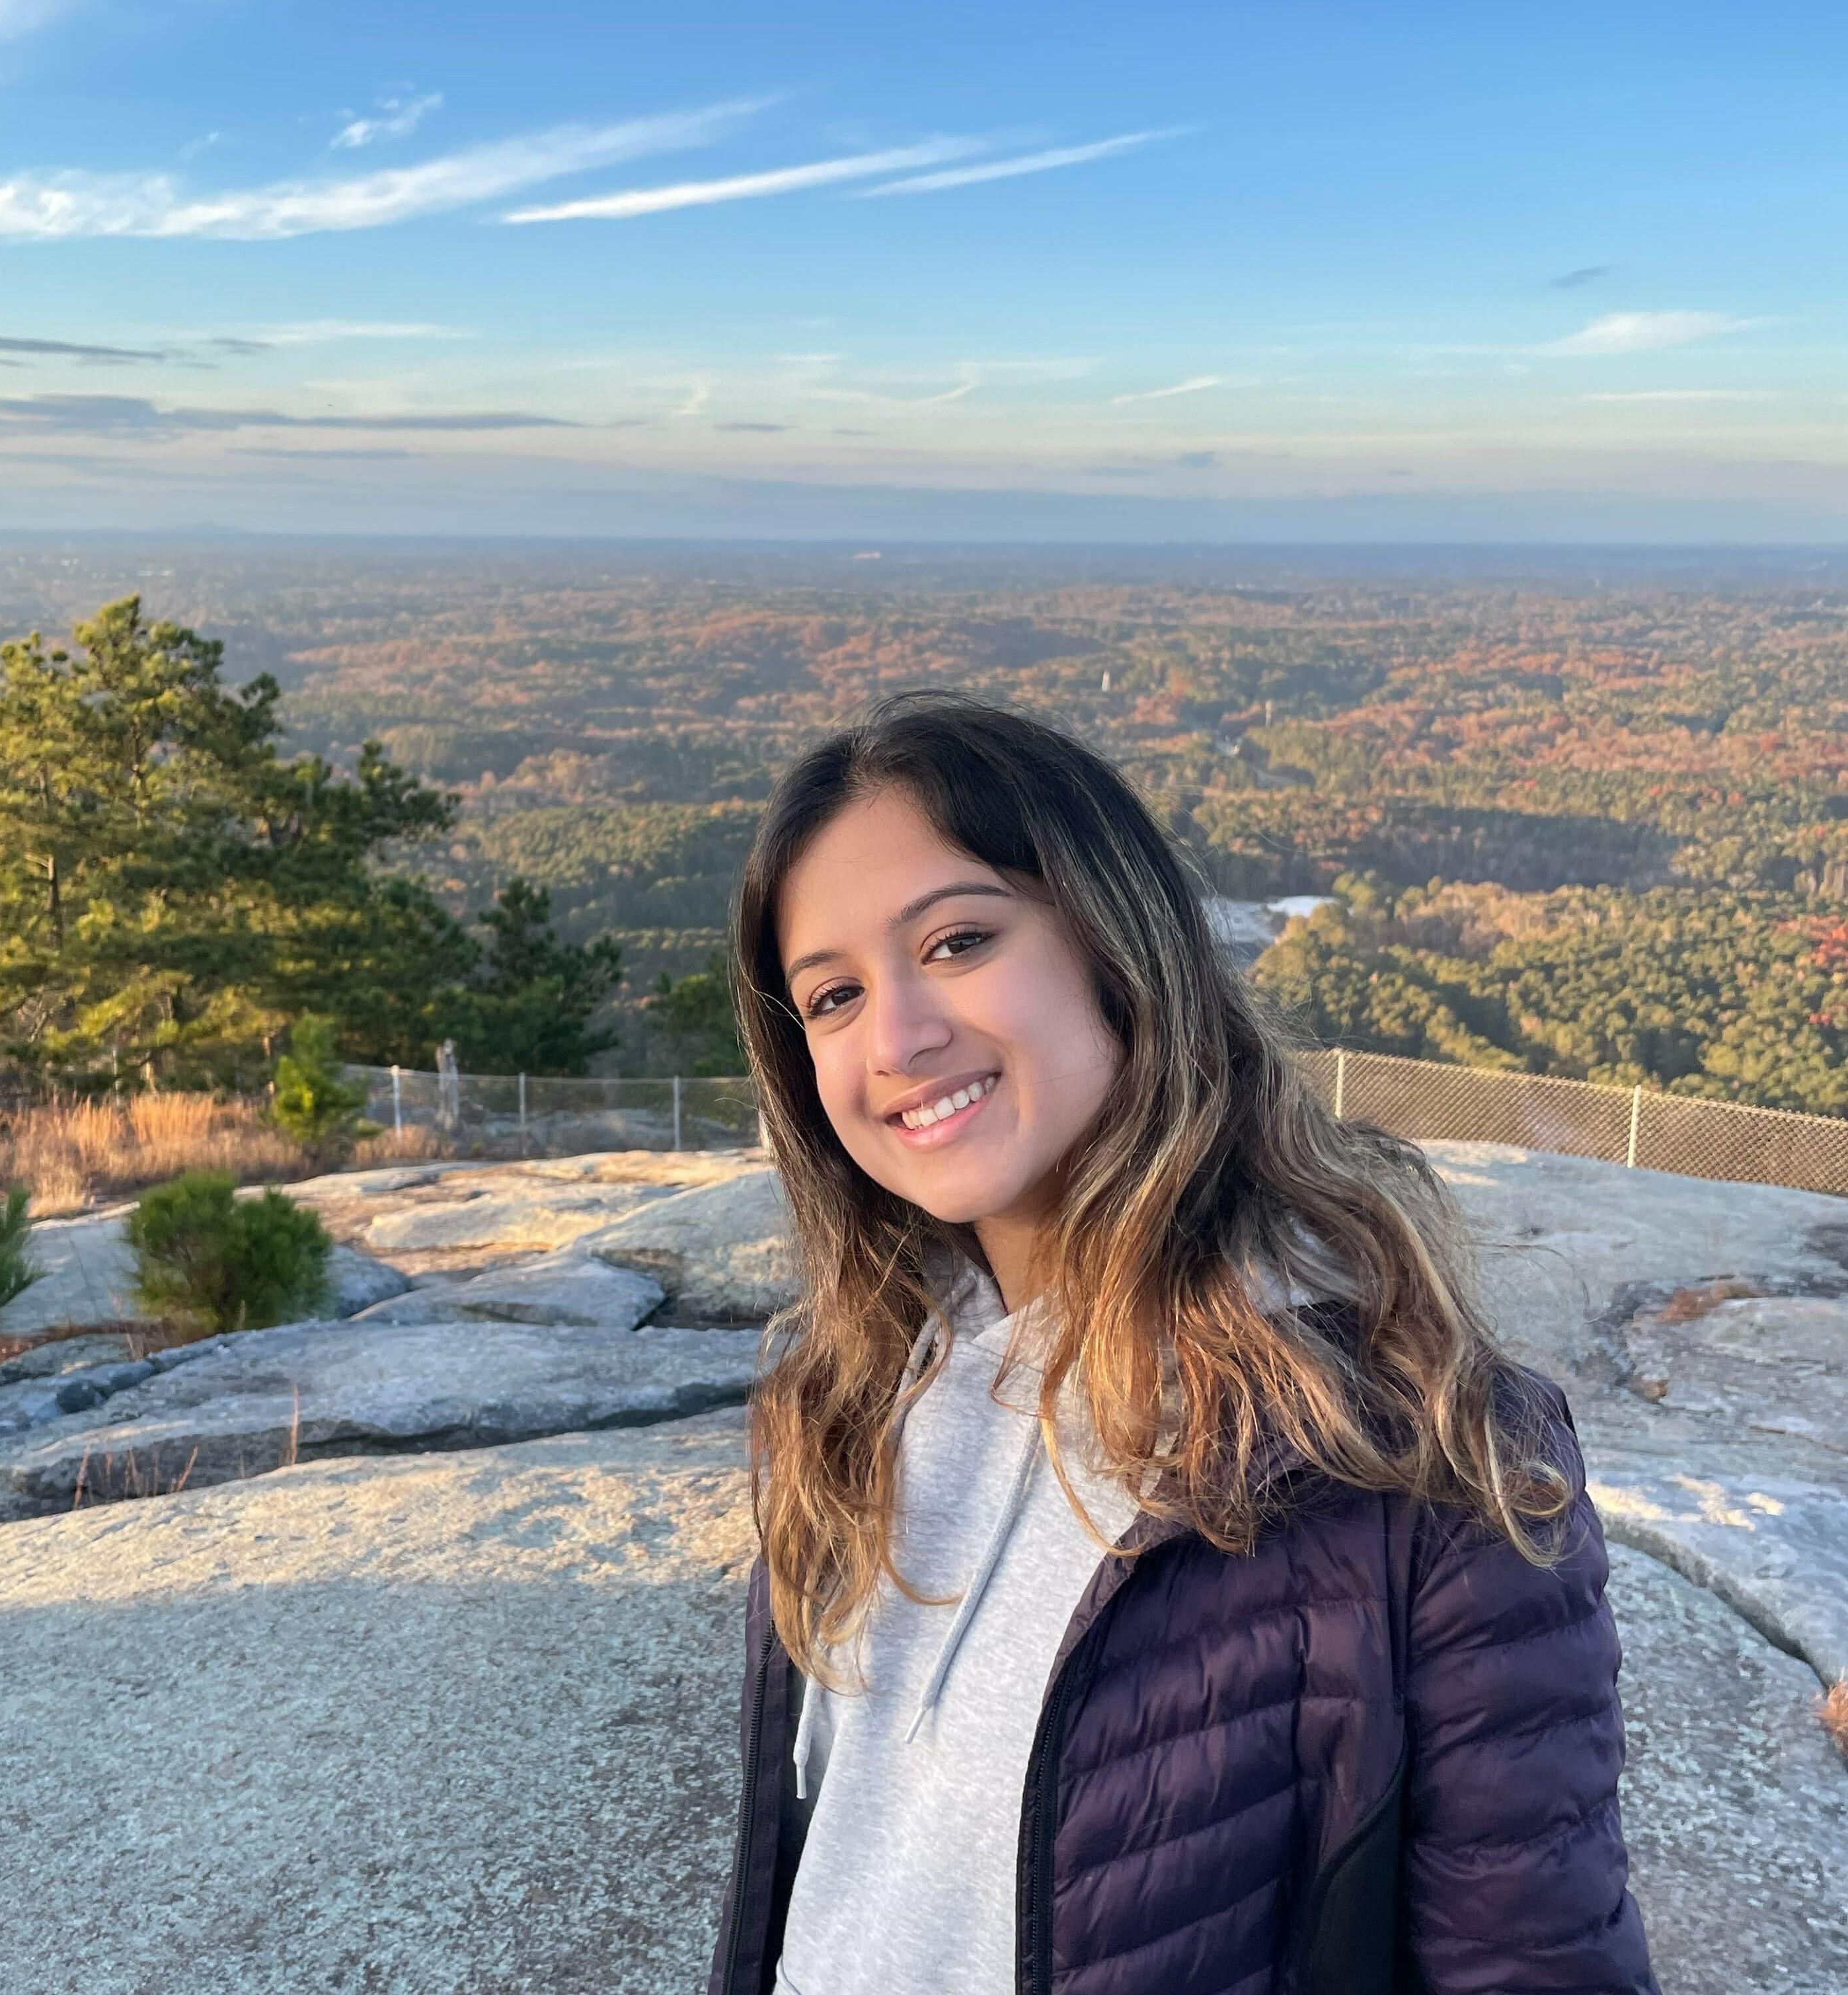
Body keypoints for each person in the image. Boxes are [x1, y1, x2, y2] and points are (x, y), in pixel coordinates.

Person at [706, 691, 1658, 1995]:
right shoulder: (849, 1400)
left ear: (1114, 942)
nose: (898, 1037)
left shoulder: (1406, 1450)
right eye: (831, 996)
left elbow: (1535, 1962)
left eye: (960, 940)